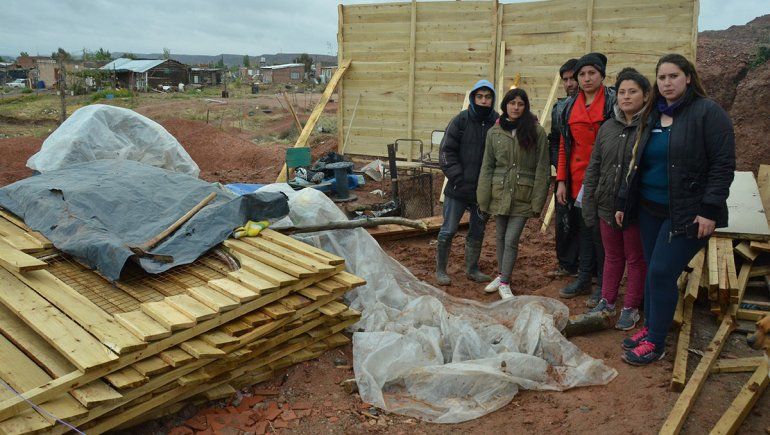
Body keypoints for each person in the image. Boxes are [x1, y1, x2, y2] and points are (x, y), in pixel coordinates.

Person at [616, 54, 735, 365]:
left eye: (673, 76)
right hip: (649, 210)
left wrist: (709, 210)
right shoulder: (653, 115)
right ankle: (653, 326)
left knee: (660, 272)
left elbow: (723, 166)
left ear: (688, 78)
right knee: (655, 271)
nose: (667, 83)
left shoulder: (707, 113)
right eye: (662, 77)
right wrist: (623, 202)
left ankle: (656, 343)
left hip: (687, 213)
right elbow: (637, 164)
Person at [582, 68, 651, 331]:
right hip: (605, 204)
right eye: (622, 92)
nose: (626, 96)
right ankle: (607, 301)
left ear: (645, 96)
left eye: (632, 91)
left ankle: (631, 307)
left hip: (635, 208)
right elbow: (595, 167)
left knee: (635, 259)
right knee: (612, 256)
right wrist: (590, 199)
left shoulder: (650, 127)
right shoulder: (607, 127)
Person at [555, 53, 616, 306]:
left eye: (592, 73)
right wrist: (561, 180)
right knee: (583, 231)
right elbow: (563, 145)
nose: (587, 78)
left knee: (601, 234)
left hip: (604, 177)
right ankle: (583, 278)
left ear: (602, 75)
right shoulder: (569, 106)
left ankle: (603, 284)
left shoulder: (611, 103)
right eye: (582, 74)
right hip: (578, 178)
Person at [477, 88, 550, 299]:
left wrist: (538, 202)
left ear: (525, 106)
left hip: (523, 195)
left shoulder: (536, 132)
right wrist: (483, 197)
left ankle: (505, 282)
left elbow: (542, 169)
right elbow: (487, 166)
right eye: (512, 103)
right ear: (505, 106)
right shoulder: (495, 132)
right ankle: (502, 275)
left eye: (520, 103)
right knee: (500, 237)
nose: (516, 107)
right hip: (499, 192)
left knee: (511, 239)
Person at [436, 80, 499, 286]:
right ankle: (441, 270)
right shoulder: (460, 121)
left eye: (487, 97)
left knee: (477, 230)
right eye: (479, 96)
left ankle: (472, 269)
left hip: (482, 191)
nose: (483, 101)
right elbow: (446, 152)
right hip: (458, 188)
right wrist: (458, 178)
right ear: (473, 98)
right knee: (448, 229)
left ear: (492, 100)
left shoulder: (497, 123)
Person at [547, 58, 581, 278]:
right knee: (564, 222)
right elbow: (554, 140)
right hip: (564, 174)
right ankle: (567, 265)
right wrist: (560, 171)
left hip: (587, 174)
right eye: (565, 80)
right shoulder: (559, 108)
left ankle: (591, 269)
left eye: (572, 78)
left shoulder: (603, 104)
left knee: (585, 224)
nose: (569, 83)